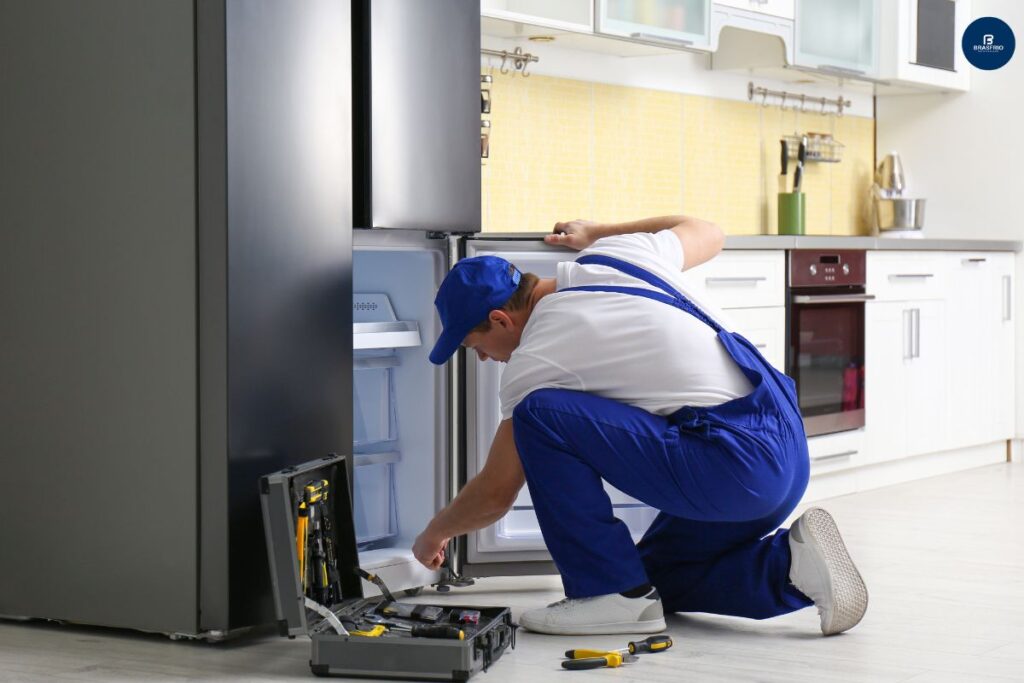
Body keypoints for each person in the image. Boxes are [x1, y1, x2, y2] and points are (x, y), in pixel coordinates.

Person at [412, 216, 868, 636]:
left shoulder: (536, 357)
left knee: (538, 415)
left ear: (499, 319)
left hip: (735, 467)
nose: (484, 358)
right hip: (782, 448)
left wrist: (436, 532)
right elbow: (708, 231)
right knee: (655, 579)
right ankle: (792, 566)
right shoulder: (621, 253)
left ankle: (608, 593)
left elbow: (497, 491)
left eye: (475, 346)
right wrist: (602, 232)